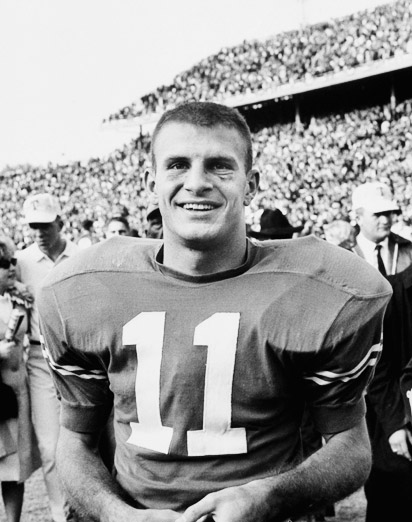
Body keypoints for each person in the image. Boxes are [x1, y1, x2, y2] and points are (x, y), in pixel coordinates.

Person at [37, 102, 392, 522]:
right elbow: (75, 441)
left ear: (251, 184)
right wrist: (119, 515)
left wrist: (271, 496)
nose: (197, 182)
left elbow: (351, 444)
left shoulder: (330, 289)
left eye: (220, 166)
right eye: (177, 165)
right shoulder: (80, 290)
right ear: (151, 179)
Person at [15, 193, 80, 522]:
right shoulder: (22, 262)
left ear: (60, 223)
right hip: (40, 358)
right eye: (33, 226)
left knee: (91, 440)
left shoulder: (82, 256)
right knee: (50, 446)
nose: (39, 232)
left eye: (45, 225)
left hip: (81, 358)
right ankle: (61, 515)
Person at [351, 181, 412, 522]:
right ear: (357, 216)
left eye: (389, 212)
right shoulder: (343, 261)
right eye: (378, 213)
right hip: (367, 396)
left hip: (407, 382)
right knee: (384, 486)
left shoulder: (409, 253)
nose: (386, 219)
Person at [0, 235, 40, 522]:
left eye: (12, 261)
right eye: (2, 264)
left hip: (17, 391)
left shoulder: (16, 296)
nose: (10, 267)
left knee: (15, 469)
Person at [352, 181, 412, 275]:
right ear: (358, 218)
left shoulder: (407, 250)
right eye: (377, 214)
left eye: (388, 213)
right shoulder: (345, 254)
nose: (385, 221)